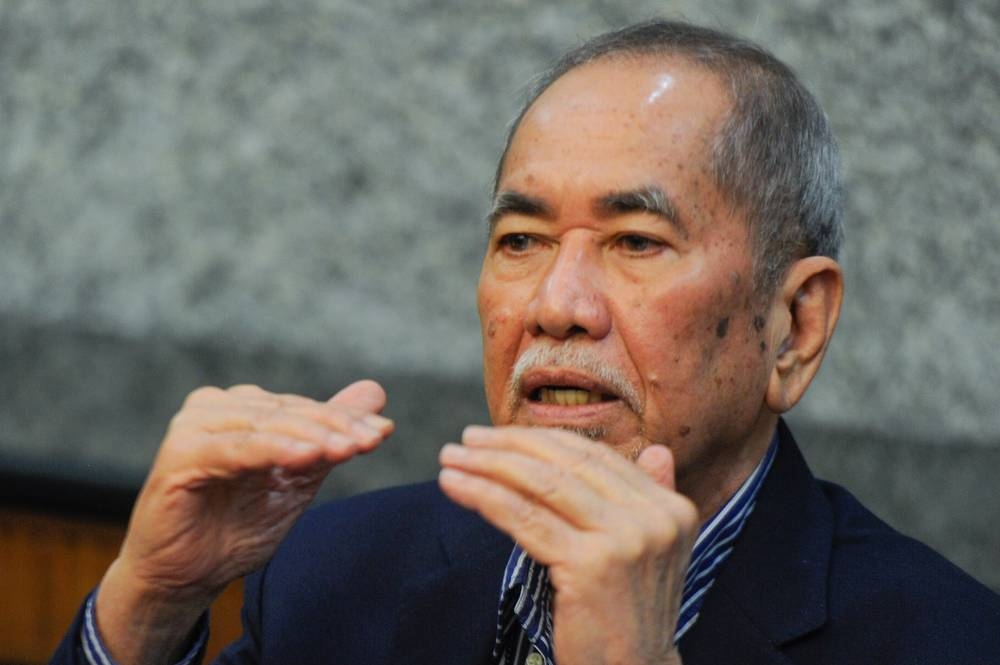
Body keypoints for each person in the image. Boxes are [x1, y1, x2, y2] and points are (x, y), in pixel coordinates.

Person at [52, 19, 1000, 665]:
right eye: (521, 241)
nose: (557, 303)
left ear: (794, 327)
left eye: (635, 241)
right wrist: (148, 601)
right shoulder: (334, 572)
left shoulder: (943, 639)